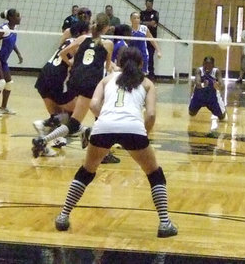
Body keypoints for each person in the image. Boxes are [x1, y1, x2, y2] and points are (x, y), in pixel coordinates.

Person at [54, 47, 177, 238]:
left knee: (87, 171)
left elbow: (94, 105)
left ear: (118, 63)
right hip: (133, 128)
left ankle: (63, 216)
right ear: (141, 64)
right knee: (155, 174)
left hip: (104, 126)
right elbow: (151, 114)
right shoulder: (146, 83)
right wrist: (143, 133)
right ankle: (164, 223)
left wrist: (107, 119)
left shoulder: (106, 79)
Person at [32, 13, 119, 164]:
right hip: (90, 83)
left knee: (83, 115)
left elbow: (63, 53)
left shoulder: (82, 39)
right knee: (83, 119)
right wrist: (118, 71)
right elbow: (107, 66)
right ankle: (44, 140)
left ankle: (84, 134)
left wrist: (73, 64)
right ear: (106, 28)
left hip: (74, 80)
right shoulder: (108, 44)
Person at [0, 9, 23, 116]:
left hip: (3, 60)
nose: (20, 18)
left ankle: (3, 107)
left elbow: (12, 43)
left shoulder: (14, 28)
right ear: (11, 18)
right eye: (17, 16)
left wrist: (18, 53)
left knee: (9, 83)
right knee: (1, 82)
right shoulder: (3, 29)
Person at [189, 56, 227, 132]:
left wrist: (218, 86)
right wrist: (203, 85)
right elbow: (197, 82)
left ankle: (223, 110)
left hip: (212, 98)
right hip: (199, 96)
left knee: (222, 118)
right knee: (191, 113)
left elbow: (222, 85)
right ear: (203, 64)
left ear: (213, 65)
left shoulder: (216, 71)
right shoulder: (199, 70)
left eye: (209, 65)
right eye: (205, 64)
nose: (207, 66)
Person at [140, 0, 161, 78]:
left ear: (152, 4)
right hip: (143, 38)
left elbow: (153, 23)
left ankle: (151, 73)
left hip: (152, 38)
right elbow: (140, 23)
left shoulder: (155, 13)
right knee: (142, 56)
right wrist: (149, 23)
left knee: (151, 56)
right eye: (147, 5)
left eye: (150, 5)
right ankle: (141, 72)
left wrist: (145, 23)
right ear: (145, 4)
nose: (148, 6)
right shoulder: (142, 13)